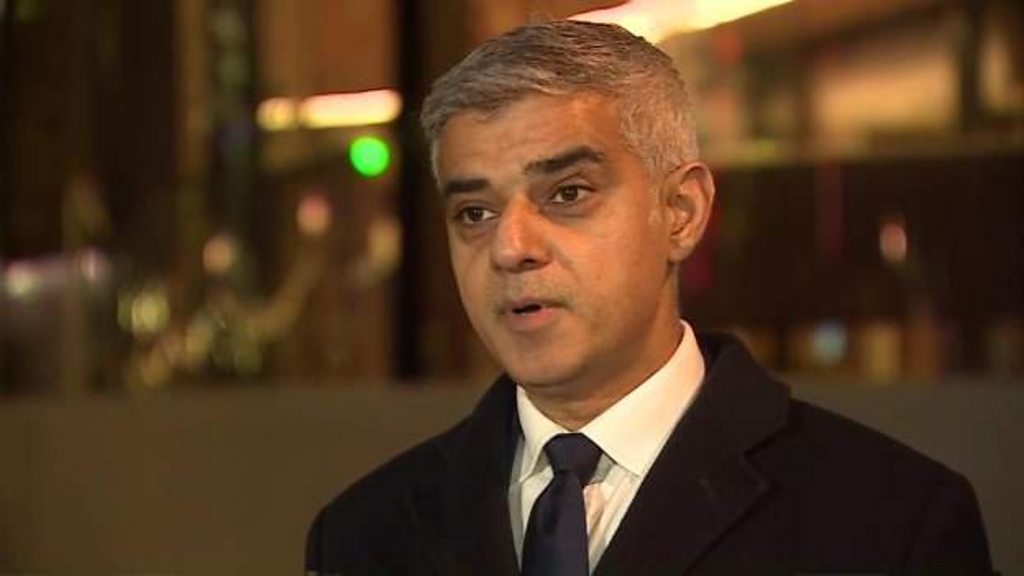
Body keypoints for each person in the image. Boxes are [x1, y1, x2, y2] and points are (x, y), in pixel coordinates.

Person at [305, 20, 992, 575]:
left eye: (567, 194)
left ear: (682, 212)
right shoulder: (363, 535)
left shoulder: (892, 523)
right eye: (474, 213)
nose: (510, 248)